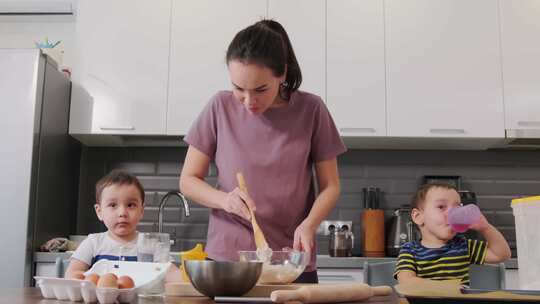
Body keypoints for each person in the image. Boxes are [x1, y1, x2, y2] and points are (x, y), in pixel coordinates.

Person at [179, 19, 347, 283]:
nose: (248, 101)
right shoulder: (219, 107)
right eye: (238, 88)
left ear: (281, 75)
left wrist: (309, 224)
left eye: (260, 90)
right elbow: (188, 180)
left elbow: (331, 186)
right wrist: (225, 200)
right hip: (229, 259)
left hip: (291, 259)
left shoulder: (312, 110)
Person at [394, 182, 511, 286]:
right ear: (418, 216)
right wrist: (447, 288)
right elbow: (407, 282)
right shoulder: (409, 250)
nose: (452, 213)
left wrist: (486, 228)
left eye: (457, 207)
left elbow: (501, 255)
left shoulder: (463, 245)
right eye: (441, 207)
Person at [65, 170, 146, 279]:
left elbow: (170, 274)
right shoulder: (93, 243)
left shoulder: (150, 245)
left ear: (141, 211)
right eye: (113, 205)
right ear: (99, 212)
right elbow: (72, 274)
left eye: (130, 205)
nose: (122, 213)